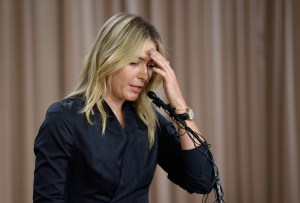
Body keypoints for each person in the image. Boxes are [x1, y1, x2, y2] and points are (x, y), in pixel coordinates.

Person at [33, 13, 214, 203]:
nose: (144, 75)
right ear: (107, 58)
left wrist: (179, 104)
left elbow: (203, 180)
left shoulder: (147, 119)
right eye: (134, 63)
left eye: (150, 65)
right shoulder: (63, 118)